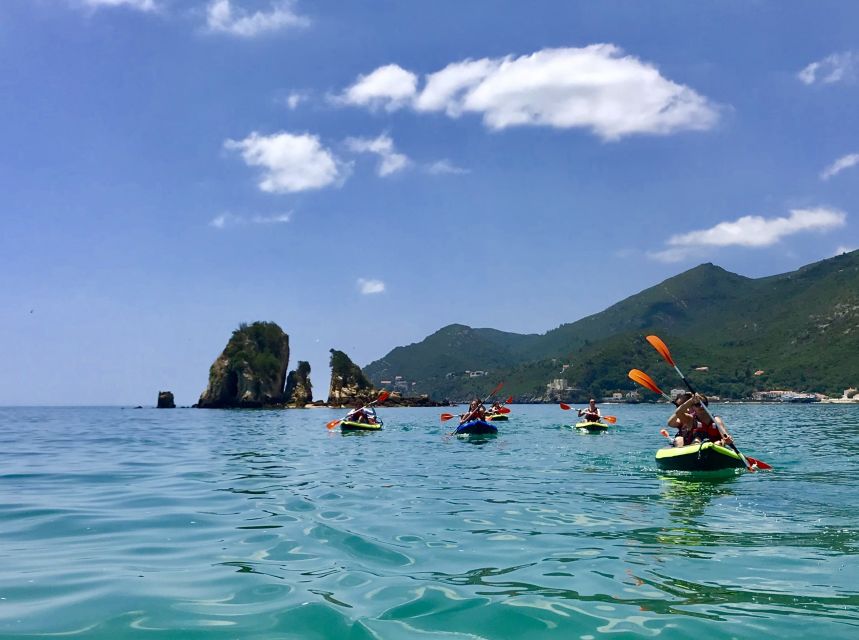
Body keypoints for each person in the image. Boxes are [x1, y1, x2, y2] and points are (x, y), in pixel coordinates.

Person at [668, 392, 733, 447]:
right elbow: (678, 412)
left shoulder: (716, 419)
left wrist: (727, 439)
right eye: (698, 404)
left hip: (714, 446)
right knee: (696, 440)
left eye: (704, 404)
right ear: (692, 407)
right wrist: (691, 400)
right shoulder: (690, 419)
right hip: (695, 447)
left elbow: (725, 434)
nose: (701, 406)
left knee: (718, 443)